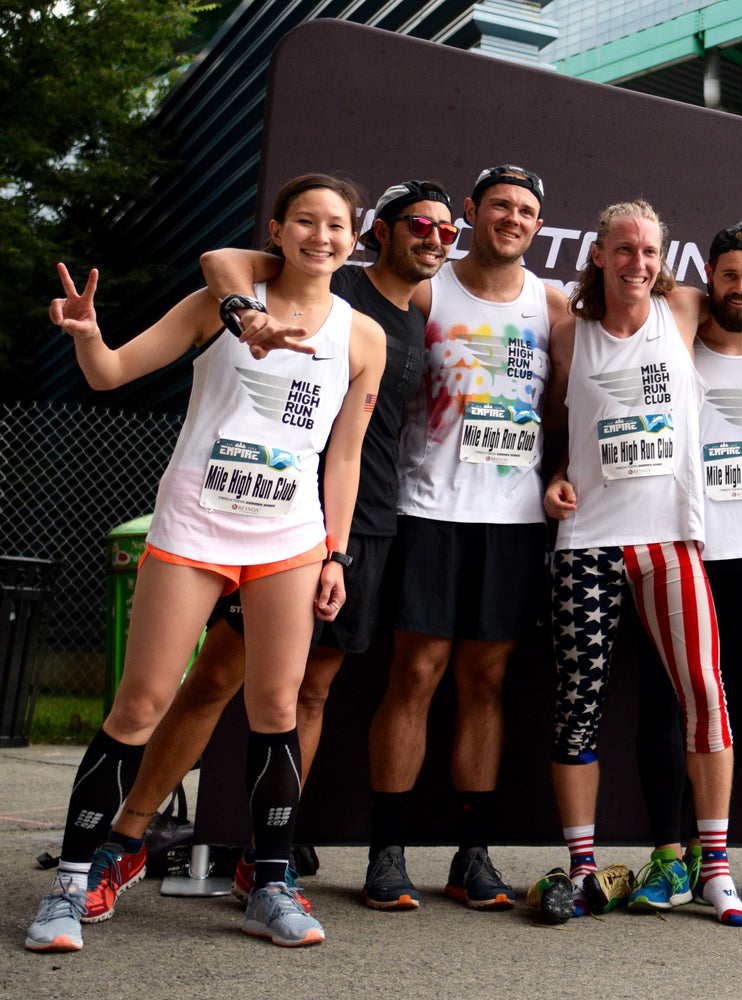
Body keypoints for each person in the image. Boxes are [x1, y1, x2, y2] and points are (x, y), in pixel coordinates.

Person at [75, 180, 455, 923]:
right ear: (374, 233)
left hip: (342, 533)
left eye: (447, 230)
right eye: (417, 224)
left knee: (297, 696)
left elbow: (349, 452)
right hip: (233, 525)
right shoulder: (304, 278)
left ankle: (266, 868)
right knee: (202, 684)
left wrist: (337, 553)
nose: (434, 238)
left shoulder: (402, 321)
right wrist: (245, 311)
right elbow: (219, 259)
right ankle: (123, 840)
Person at [26, 173, 384, 951]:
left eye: (336, 226)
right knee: (141, 702)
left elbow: (344, 458)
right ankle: (71, 886)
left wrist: (337, 554)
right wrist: (89, 334)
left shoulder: (363, 336)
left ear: (354, 241)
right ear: (279, 230)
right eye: (306, 222)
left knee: (277, 708)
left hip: (290, 537)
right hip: (195, 524)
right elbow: (110, 373)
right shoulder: (218, 304)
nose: (321, 237)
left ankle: (275, 884)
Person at [544, 200, 742, 927]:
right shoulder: (570, 335)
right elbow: (554, 426)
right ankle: (582, 870)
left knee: (705, 694)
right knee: (579, 709)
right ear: (599, 254)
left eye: (651, 251)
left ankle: (716, 870)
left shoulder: (686, 309)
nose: (639, 262)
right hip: (588, 547)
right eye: (625, 249)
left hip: (670, 543)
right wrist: (553, 475)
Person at [363, 165, 567, 911]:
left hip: (512, 521)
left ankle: (471, 857)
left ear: (538, 227)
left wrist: (562, 473)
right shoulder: (428, 287)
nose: (513, 218)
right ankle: (387, 854)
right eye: (501, 206)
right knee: (415, 675)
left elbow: (574, 402)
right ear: (472, 213)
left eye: (528, 210)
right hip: (427, 507)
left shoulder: (552, 304)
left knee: (485, 683)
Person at [630, 223, 742, 906]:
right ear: (708, 276)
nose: (741, 288)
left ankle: (711, 855)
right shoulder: (675, 331)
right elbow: (684, 297)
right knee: (660, 703)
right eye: (728, 276)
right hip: (679, 547)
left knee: (726, 704)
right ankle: (666, 854)